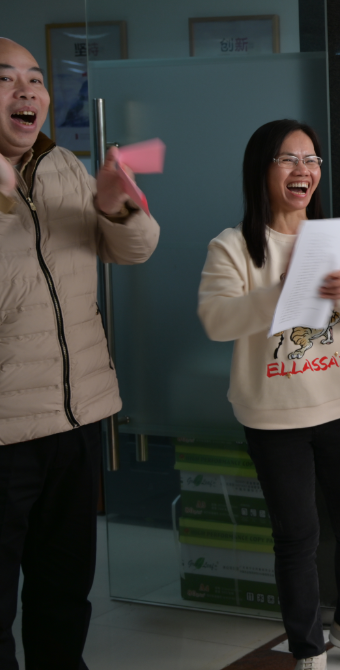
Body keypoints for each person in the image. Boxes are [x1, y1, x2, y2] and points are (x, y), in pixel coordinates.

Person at [197, 120, 340, 670]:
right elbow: (215, 320)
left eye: (311, 160)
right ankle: (308, 647)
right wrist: (277, 295)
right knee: (297, 537)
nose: (303, 169)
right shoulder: (233, 246)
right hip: (273, 416)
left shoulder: (339, 242)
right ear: (261, 169)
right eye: (288, 159)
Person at [0, 37, 159, 670]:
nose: (27, 91)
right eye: (6, 78)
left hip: (77, 413)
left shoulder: (63, 164)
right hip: (7, 426)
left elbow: (133, 251)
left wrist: (119, 207)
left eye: (35, 79)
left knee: (64, 586)